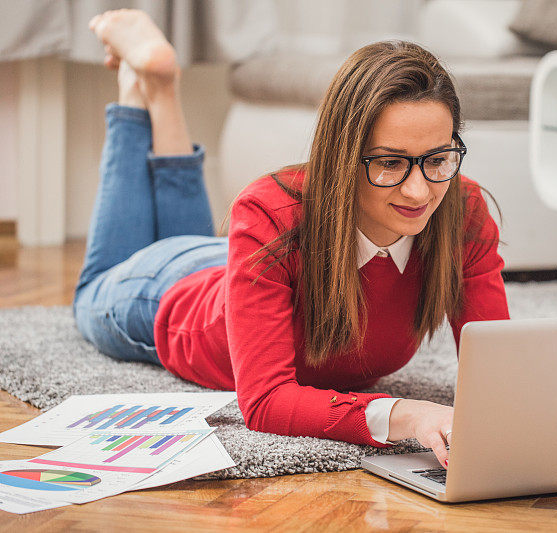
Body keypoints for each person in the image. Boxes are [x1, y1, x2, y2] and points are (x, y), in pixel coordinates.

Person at [74, 9, 509, 469]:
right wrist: (405, 413)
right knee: (94, 287)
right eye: (389, 163)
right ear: (342, 155)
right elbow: (265, 402)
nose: (420, 191)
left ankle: (161, 88)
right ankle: (135, 89)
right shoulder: (270, 212)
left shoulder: (462, 211)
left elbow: (501, 370)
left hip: (237, 264)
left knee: (193, 240)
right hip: (162, 295)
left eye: (437, 158)